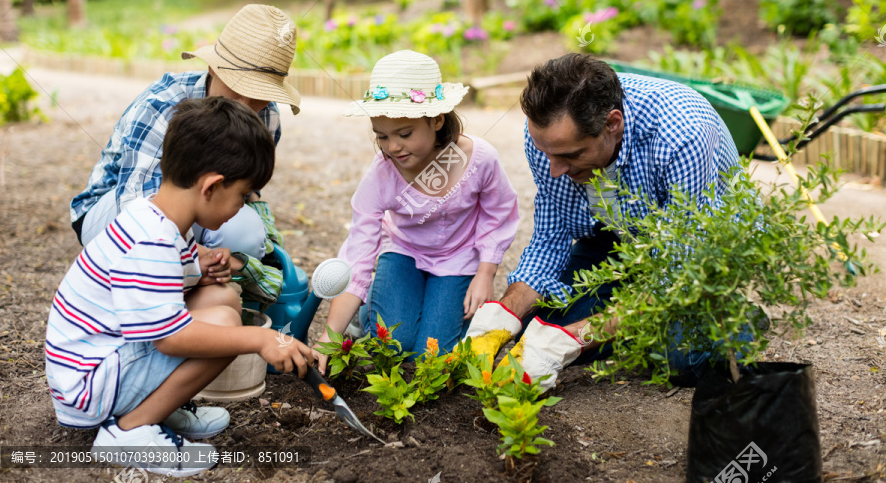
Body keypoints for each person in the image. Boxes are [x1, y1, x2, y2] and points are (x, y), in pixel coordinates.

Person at [45, 97, 314, 477]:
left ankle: (161, 408)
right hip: (88, 386)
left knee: (221, 297)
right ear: (212, 186)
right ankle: (130, 431)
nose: (241, 208)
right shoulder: (151, 241)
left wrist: (197, 268)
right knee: (225, 328)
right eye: (241, 196)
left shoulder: (152, 215)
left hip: (102, 361)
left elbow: (162, 283)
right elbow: (170, 339)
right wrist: (260, 340)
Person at [463, 53, 744, 389]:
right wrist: (503, 314)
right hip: (616, 236)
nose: (555, 169)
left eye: (570, 156)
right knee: (538, 324)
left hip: (696, 251)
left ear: (613, 124)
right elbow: (551, 240)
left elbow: (679, 272)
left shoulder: (683, 134)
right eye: (547, 154)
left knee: (685, 359)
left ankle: (733, 316)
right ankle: (632, 314)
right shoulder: (550, 137)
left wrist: (577, 336)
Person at [69, 4, 301, 292]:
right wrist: (197, 258)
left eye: (259, 95)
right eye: (236, 87)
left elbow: (243, 189)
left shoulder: (268, 117)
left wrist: (254, 249)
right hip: (116, 209)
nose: (244, 105)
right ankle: (169, 284)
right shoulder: (162, 105)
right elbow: (136, 206)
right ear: (212, 68)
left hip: (197, 206)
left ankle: (193, 289)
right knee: (153, 248)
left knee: (245, 233)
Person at [315, 50, 519, 369]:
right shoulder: (383, 173)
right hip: (404, 251)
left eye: (404, 134)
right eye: (381, 136)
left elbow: (499, 212)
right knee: (393, 346)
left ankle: (435, 311)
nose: (392, 146)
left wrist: (485, 272)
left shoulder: (479, 158)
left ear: (436, 120)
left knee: (431, 356)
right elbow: (359, 251)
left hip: (458, 257)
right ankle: (365, 308)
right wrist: (328, 338)